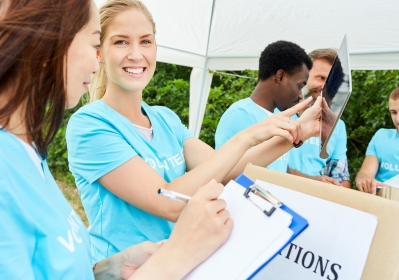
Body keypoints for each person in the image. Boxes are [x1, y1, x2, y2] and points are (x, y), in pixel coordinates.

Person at [66, 0, 323, 262]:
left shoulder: (165, 118)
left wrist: (297, 133)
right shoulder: (90, 125)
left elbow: (229, 169)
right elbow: (169, 203)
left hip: (178, 266)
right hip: (126, 272)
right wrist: (246, 137)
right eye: (121, 42)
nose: (136, 54)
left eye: (145, 41)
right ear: (99, 52)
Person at [0, 0, 233, 278]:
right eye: (94, 43)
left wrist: (108, 270)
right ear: (48, 43)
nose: (95, 60)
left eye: (146, 41)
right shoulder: (8, 164)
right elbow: (167, 202)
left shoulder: (29, 154)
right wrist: (178, 255)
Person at [214, 40, 312, 172]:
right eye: (300, 86)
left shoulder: (283, 118)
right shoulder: (239, 115)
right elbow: (222, 173)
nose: (300, 95)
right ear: (280, 76)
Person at [287, 48, 351, 188]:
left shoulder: (338, 125)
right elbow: (263, 166)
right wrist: (311, 181)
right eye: (321, 78)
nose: (325, 87)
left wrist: (337, 188)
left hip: (316, 199)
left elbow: (341, 176)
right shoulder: (279, 112)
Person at [356, 83, 399, 194]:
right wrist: (364, 181)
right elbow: (365, 173)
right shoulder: (381, 137)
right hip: (379, 203)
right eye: (394, 112)